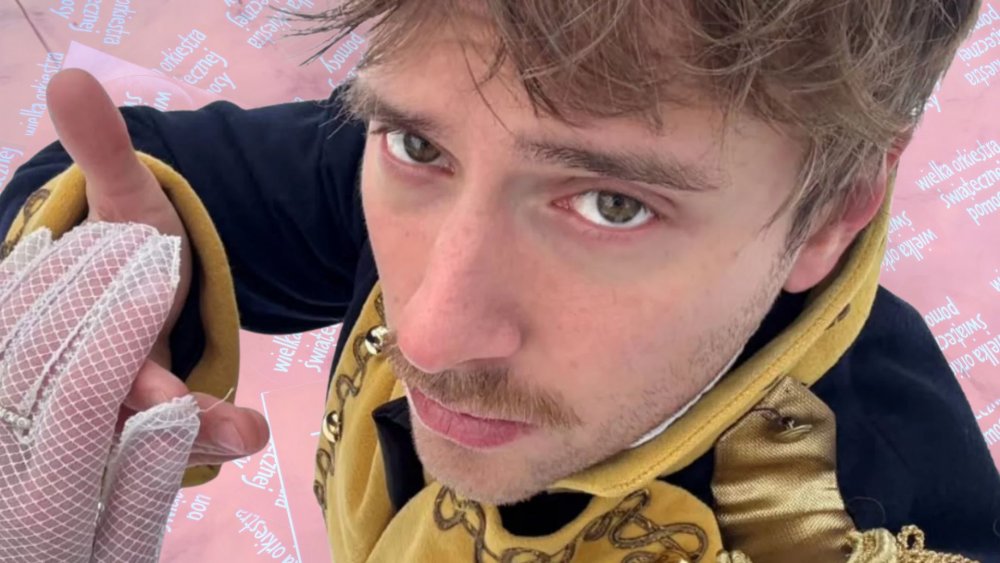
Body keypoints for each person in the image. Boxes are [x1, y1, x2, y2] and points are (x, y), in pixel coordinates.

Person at [2, 0, 999, 561]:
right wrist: (110, 289)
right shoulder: (397, 166)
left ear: (833, 211)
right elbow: (131, 170)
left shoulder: (879, 517)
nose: (427, 335)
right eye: (418, 144)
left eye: (612, 204)